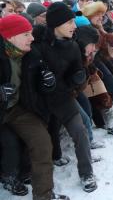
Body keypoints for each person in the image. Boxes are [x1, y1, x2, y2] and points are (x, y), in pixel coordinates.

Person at [0, 14, 70, 200]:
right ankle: (8, 176)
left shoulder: (31, 54)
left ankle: (44, 195)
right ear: (9, 36)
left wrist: (48, 83)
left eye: (31, 33)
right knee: (10, 146)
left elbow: (37, 85)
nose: (32, 38)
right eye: (25, 34)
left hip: (17, 110)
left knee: (42, 143)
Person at [34, 2, 97, 193]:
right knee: (46, 135)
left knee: (80, 132)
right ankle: (52, 159)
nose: (74, 26)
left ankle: (86, 173)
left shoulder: (73, 47)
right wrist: (43, 82)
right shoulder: (38, 45)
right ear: (57, 24)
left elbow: (77, 73)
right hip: (40, 102)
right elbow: (29, 77)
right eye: (70, 22)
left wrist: (78, 78)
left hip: (63, 99)